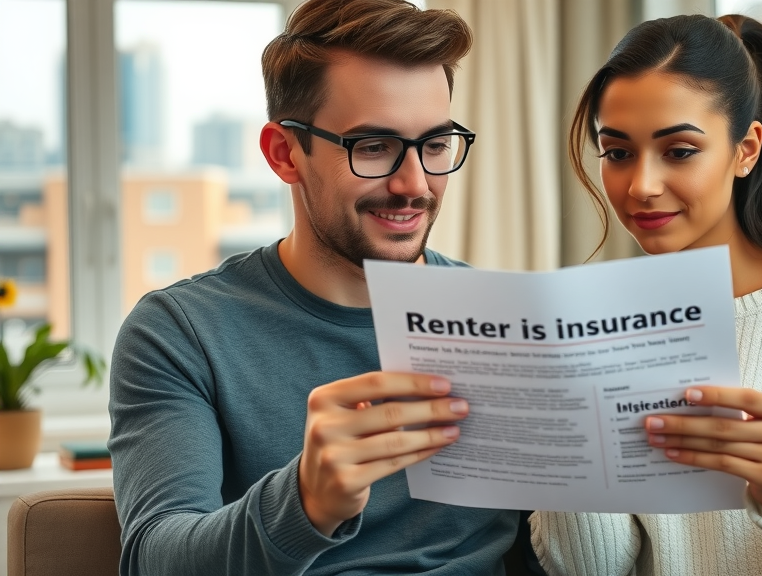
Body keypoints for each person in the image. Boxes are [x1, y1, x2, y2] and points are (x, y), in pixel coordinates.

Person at [107, 0, 522, 574]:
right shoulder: (180, 333)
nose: (415, 184)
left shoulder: (508, 320)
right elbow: (154, 559)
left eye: (434, 145)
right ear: (285, 154)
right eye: (372, 147)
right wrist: (305, 503)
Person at [530, 13, 762, 576]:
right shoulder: (601, 316)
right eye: (618, 153)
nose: (641, 187)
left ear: (745, 149)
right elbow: (591, 567)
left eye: (679, 150)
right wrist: (568, 434)